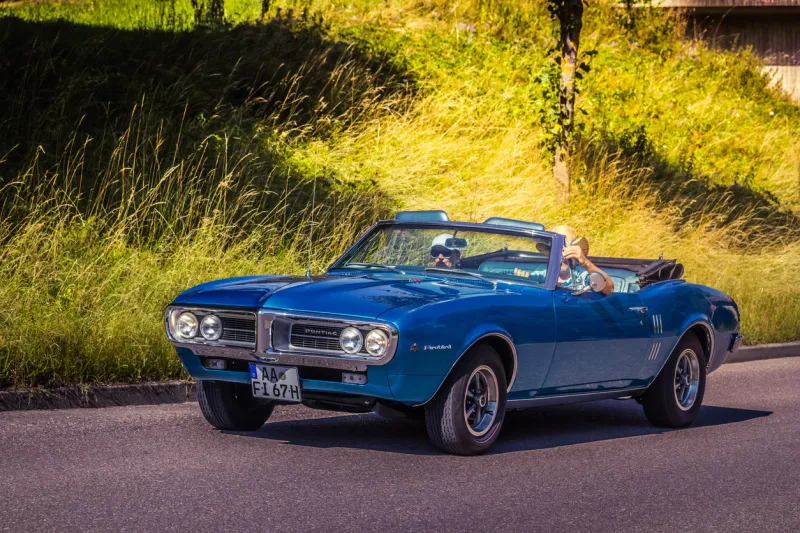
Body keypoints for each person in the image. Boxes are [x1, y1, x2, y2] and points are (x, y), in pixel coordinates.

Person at [514, 225, 614, 295]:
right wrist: (522, 278)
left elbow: (609, 289)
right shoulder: (542, 275)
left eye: (568, 251)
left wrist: (585, 262)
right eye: (556, 251)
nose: (562, 256)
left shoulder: (581, 277)